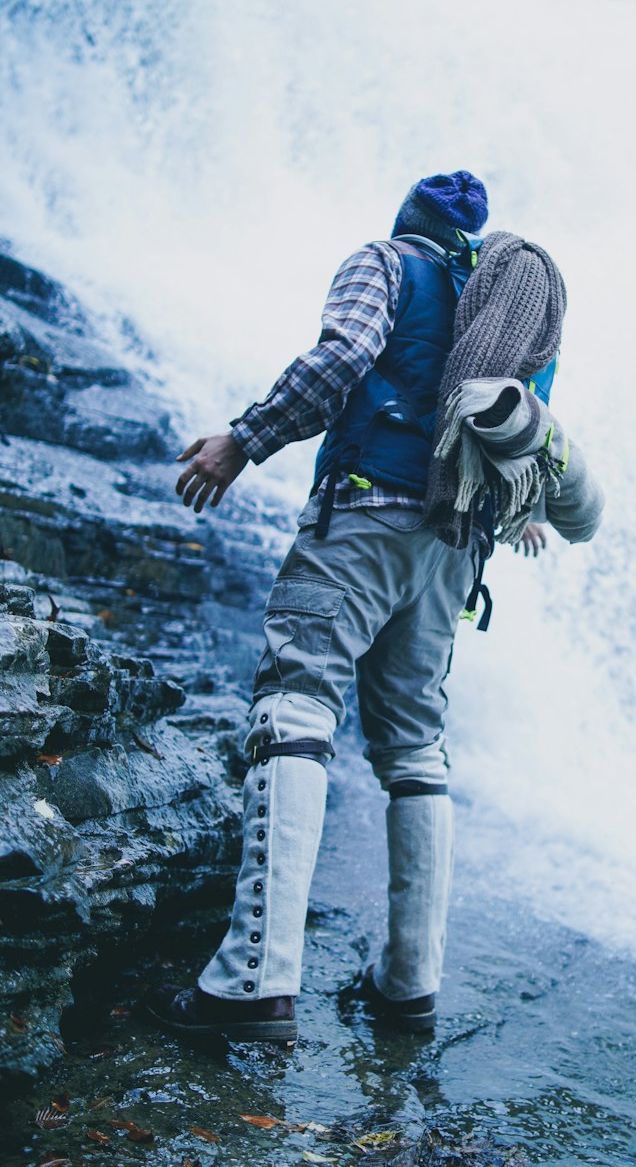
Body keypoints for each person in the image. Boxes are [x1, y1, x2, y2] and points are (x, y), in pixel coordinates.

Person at [144, 171, 601, 1044]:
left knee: (295, 707)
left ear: (408, 220)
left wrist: (243, 442)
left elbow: (342, 360)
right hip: (452, 549)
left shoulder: (386, 264)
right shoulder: (495, 303)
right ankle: (406, 984)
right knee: (413, 749)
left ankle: (255, 979)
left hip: (360, 517)